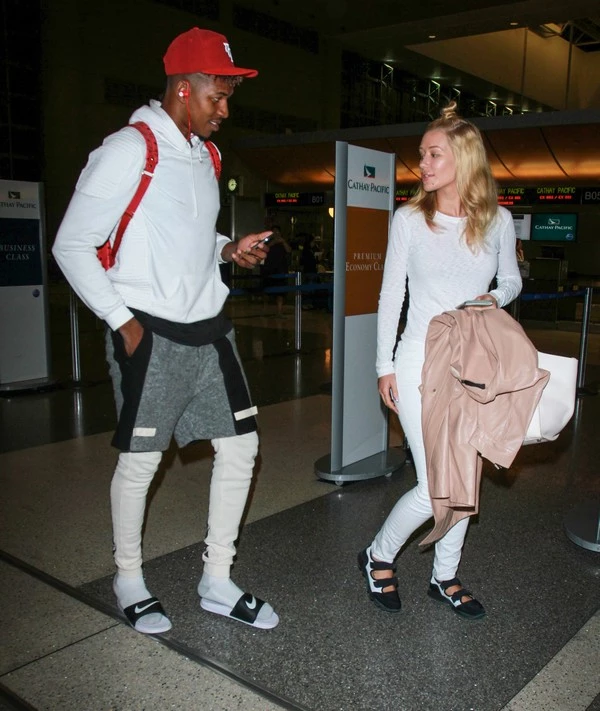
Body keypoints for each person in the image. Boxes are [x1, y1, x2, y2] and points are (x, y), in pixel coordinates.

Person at [52, 27, 279, 633]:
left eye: (230, 97)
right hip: (148, 329)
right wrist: (123, 325)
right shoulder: (130, 149)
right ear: (184, 88)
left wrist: (229, 250)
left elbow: (187, 234)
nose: (225, 110)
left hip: (211, 327)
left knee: (242, 447)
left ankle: (217, 578)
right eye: (218, 96)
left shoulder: (205, 155)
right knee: (142, 460)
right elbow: (72, 244)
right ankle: (129, 577)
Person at [358, 101, 522, 620]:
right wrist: (383, 365)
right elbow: (390, 297)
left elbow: (512, 280)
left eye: (433, 154)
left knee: (465, 481)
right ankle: (378, 555)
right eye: (421, 155)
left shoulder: (498, 221)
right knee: (435, 488)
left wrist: (493, 298)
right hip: (416, 361)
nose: (422, 165)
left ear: (463, 160)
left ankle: (444, 576)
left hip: (472, 363)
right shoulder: (409, 220)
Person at [261, 225, 291, 317]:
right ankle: (265, 310)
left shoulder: (283, 242)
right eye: (274, 232)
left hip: (281, 269)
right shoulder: (268, 241)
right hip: (269, 269)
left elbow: (289, 250)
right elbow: (264, 250)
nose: (276, 234)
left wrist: (283, 242)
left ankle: (279, 311)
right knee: (267, 291)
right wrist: (272, 243)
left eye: (277, 232)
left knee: (280, 292)